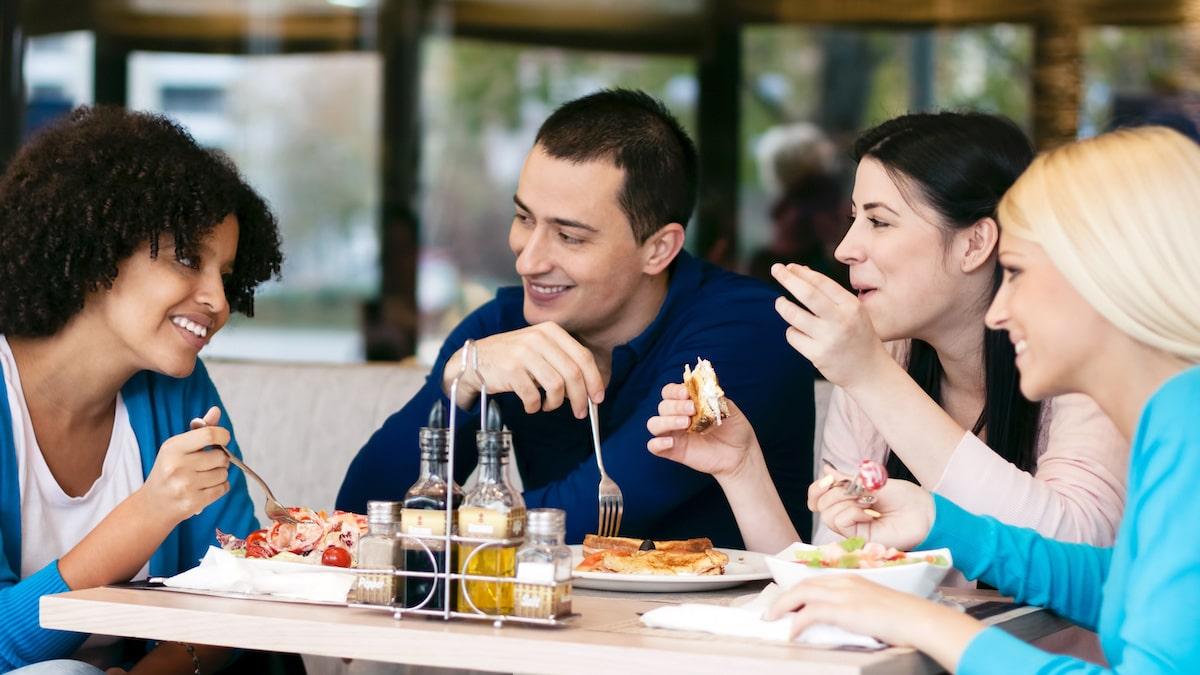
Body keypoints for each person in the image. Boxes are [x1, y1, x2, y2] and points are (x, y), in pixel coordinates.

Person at [780, 125, 1200, 673]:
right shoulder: (1174, 413)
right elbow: (1125, 589)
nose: (998, 312)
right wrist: (942, 523)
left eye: (1017, 272)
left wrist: (926, 623)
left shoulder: (1185, 423)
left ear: (1105, 275)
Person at [338, 89, 815, 546]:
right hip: (548, 600)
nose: (528, 260)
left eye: (569, 237)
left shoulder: (746, 328)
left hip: (725, 604)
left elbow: (598, 510)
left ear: (658, 249)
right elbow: (358, 519)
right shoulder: (501, 329)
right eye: (525, 219)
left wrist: (428, 528)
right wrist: (456, 383)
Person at [647, 112, 1126, 554]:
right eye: (854, 218)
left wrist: (870, 376)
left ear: (974, 243)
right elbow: (837, 571)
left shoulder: (1081, 357)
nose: (845, 249)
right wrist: (742, 467)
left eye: (878, 221)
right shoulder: (882, 361)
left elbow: (1077, 551)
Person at [0, 107, 282, 672]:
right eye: (187, 258)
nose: (218, 302)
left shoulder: (178, 390)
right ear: (98, 251)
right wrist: (148, 515)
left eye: (225, 276)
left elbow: (235, 592)